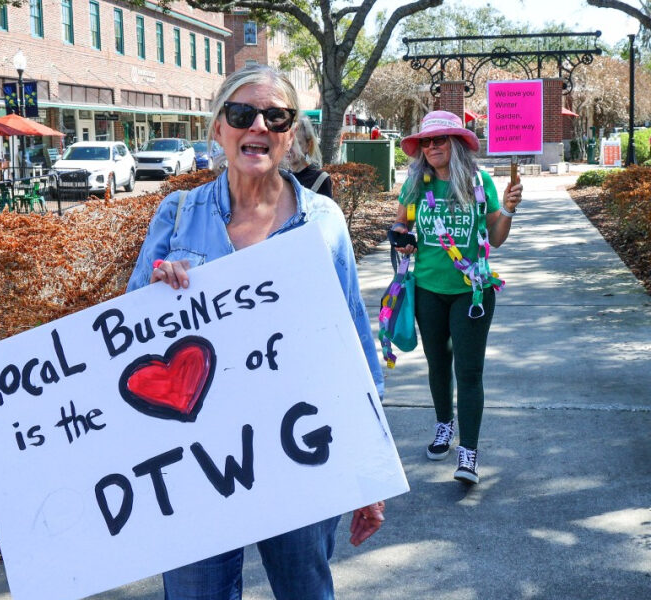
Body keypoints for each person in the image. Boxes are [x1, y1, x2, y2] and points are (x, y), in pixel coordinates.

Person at [126, 64, 386, 600]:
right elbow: (128, 340)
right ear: (218, 127)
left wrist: (370, 468)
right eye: (242, 114)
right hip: (195, 463)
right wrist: (156, 293)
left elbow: (354, 345)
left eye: (276, 116)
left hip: (299, 451)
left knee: (305, 591)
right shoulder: (177, 216)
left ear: (292, 134)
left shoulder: (323, 221)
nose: (258, 127)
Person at [391, 110, 523, 485]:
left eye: (440, 140)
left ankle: (469, 454)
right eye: (426, 142)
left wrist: (509, 210)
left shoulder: (479, 183)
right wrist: (401, 238)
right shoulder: (416, 185)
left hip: (473, 291)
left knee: (468, 372)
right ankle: (443, 426)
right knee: (437, 364)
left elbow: (495, 237)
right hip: (429, 291)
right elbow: (401, 224)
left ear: (456, 144)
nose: (432, 147)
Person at [284, 114, 333, 198]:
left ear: (308, 145)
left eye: (295, 143)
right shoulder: (281, 177)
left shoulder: (320, 179)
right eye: (286, 142)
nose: (289, 148)